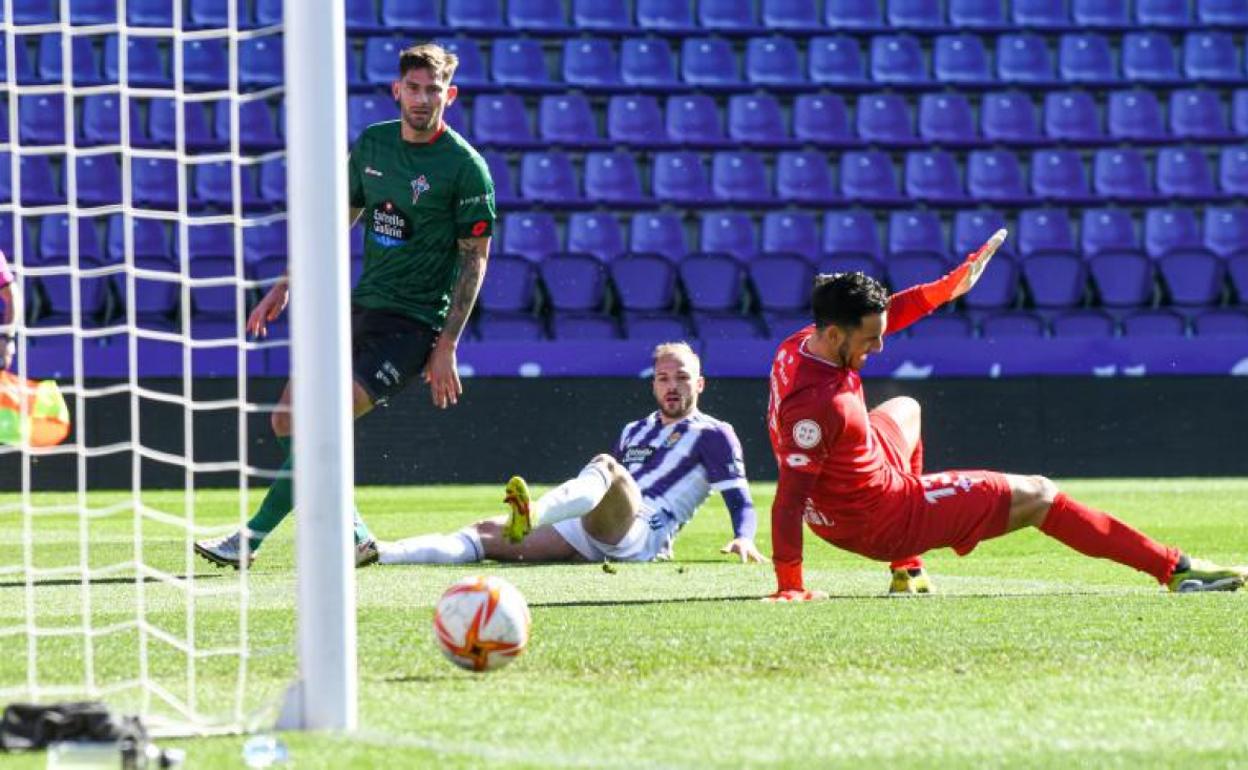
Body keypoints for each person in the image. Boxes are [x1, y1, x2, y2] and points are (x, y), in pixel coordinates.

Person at [765, 233, 1246, 602]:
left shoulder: (802, 343)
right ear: (833, 335)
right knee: (1039, 493)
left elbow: (889, 311)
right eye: (870, 339)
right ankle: (1176, 569)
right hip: (879, 518)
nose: (880, 346)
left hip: (850, 487)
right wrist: (791, 586)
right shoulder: (824, 405)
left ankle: (908, 569)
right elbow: (788, 502)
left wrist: (944, 290)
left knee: (906, 408)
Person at [196, 41, 495, 569]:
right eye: (414, 89)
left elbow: (474, 259)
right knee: (288, 421)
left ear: (451, 95)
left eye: (434, 91)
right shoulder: (375, 145)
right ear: (396, 90)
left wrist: (446, 344)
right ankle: (356, 534)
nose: (423, 100)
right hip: (357, 309)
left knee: (318, 425)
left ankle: (250, 539)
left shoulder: (465, 168)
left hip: (412, 325)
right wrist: (285, 283)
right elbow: (337, 219)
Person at [377, 342, 768, 566]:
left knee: (607, 467)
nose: (672, 387)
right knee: (484, 533)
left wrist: (744, 537)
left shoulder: (715, 434)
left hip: (641, 533)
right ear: (653, 385)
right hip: (594, 528)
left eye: (682, 378)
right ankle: (382, 552)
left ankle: (533, 514)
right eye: (664, 378)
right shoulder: (635, 429)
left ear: (699, 383)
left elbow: (740, 498)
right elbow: (599, 493)